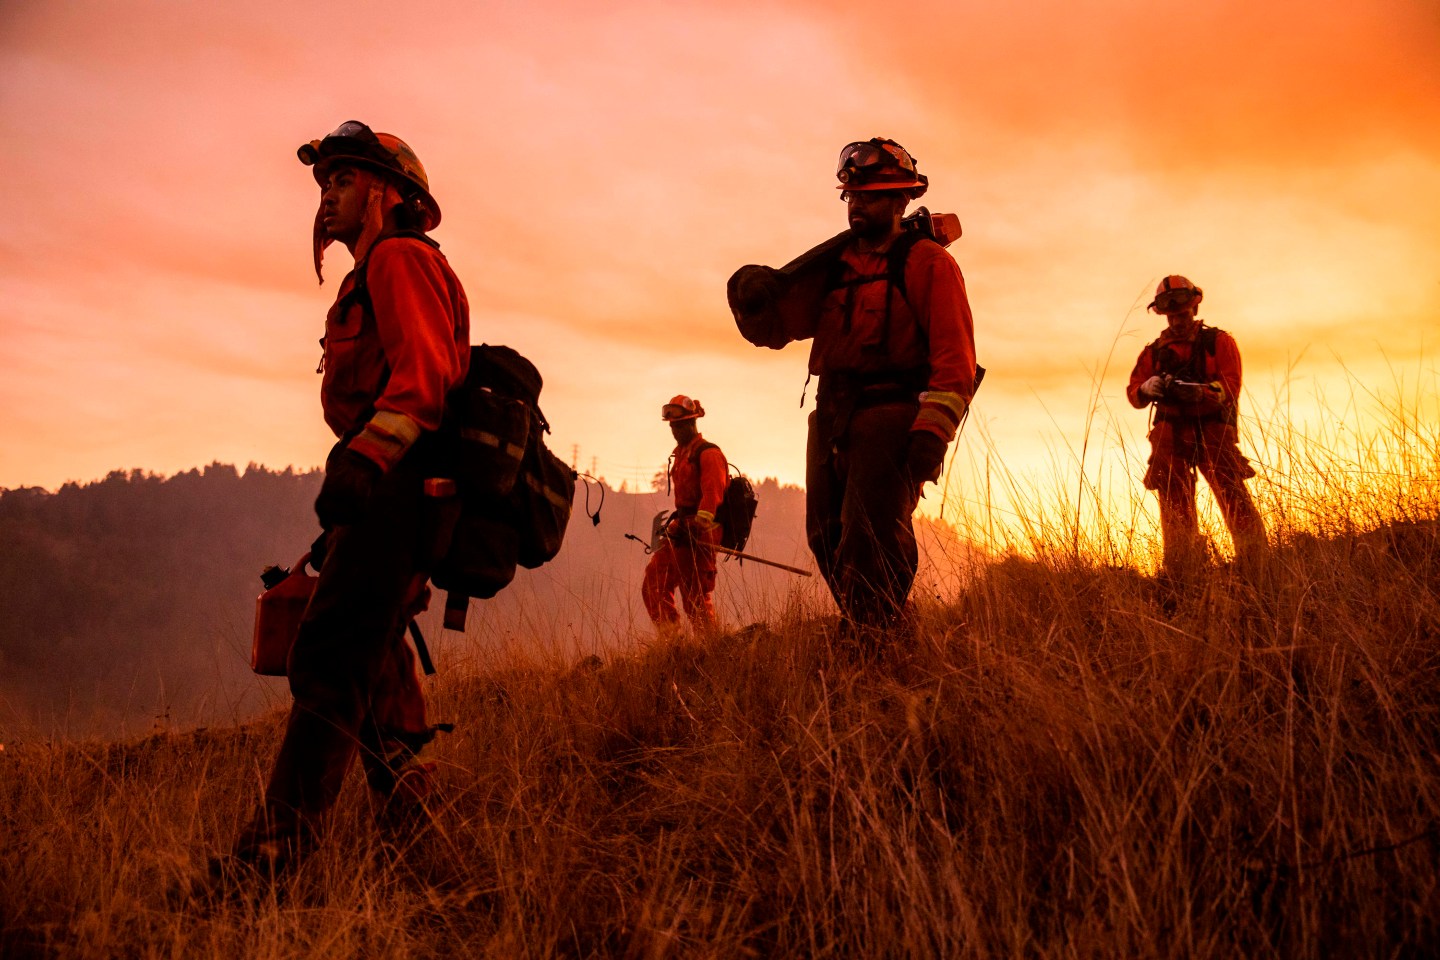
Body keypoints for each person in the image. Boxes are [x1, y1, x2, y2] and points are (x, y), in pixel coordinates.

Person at [224, 121, 470, 880]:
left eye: (341, 180)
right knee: (381, 660)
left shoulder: (399, 258)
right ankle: (416, 843)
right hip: (383, 489)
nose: (326, 196)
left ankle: (275, 858)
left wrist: (366, 462)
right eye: (324, 182)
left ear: (384, 192)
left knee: (329, 655)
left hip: (400, 485)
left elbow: (422, 381)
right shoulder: (368, 274)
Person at [729, 138, 978, 640]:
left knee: (870, 534)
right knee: (826, 536)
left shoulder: (928, 263)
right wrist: (750, 292)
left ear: (901, 200)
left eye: (871, 195)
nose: (857, 204)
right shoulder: (834, 269)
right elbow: (774, 329)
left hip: (891, 414)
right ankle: (876, 627)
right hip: (832, 414)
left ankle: (877, 638)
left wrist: (931, 436)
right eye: (851, 196)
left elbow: (956, 361)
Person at [1126, 275, 1267, 574]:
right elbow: (1134, 394)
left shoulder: (1218, 342)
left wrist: (1201, 392)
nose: (1177, 320)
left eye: (1183, 313)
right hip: (1169, 435)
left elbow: (1232, 385)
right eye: (1172, 315)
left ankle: (1256, 563)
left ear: (1194, 308)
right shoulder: (1152, 353)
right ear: (1164, 314)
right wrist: (1148, 387)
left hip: (1212, 429)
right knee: (1174, 500)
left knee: (1231, 493)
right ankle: (1182, 569)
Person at [641, 395, 728, 632]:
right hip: (681, 528)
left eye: (679, 425)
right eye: (672, 426)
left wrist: (700, 523)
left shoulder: (708, 454)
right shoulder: (680, 454)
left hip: (702, 530)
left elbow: (712, 493)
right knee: (654, 583)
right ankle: (672, 642)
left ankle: (711, 647)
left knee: (695, 596)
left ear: (692, 423)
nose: (675, 430)